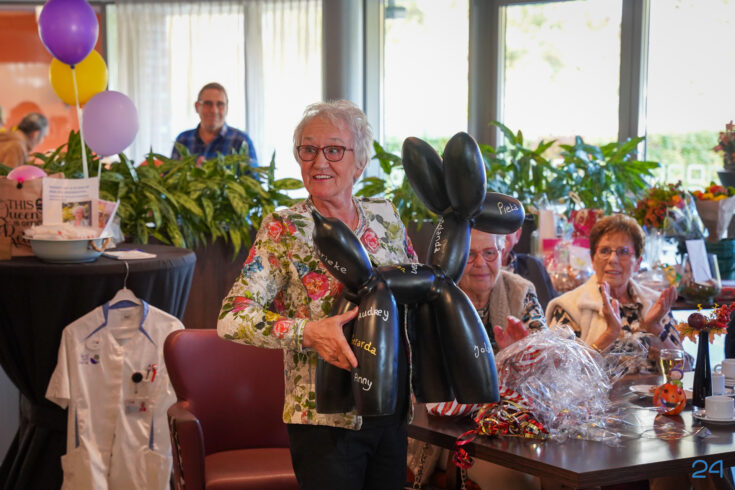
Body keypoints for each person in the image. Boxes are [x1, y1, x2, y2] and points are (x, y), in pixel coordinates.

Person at [217, 99, 416, 489]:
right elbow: (231, 317)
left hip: (390, 411)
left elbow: (413, 295)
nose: (319, 161)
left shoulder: (386, 216)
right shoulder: (284, 228)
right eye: (308, 149)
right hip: (324, 421)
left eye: (334, 150)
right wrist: (308, 332)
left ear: (360, 161)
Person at [546, 214, 687, 372]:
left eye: (623, 252)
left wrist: (656, 328)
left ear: (638, 263)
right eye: (605, 251)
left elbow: (685, 370)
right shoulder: (569, 307)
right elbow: (559, 373)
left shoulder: (656, 303)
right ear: (593, 259)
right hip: (599, 390)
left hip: (658, 388)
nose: (613, 259)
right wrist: (609, 334)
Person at [461, 228, 547, 353]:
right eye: (470, 254)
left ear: (501, 254)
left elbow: (544, 355)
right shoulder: (440, 296)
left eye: (489, 253)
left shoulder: (521, 292)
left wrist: (520, 355)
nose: (480, 263)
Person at [171, 82, 258, 165]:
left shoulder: (242, 141)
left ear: (227, 108)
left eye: (220, 104)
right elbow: (171, 174)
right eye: (207, 104)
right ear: (197, 107)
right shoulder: (183, 140)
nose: (214, 110)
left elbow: (252, 175)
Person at [501, 226, 558, 311]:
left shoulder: (533, 266)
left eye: (506, 225)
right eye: (493, 224)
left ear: (517, 234)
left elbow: (554, 310)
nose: (499, 232)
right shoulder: (480, 272)